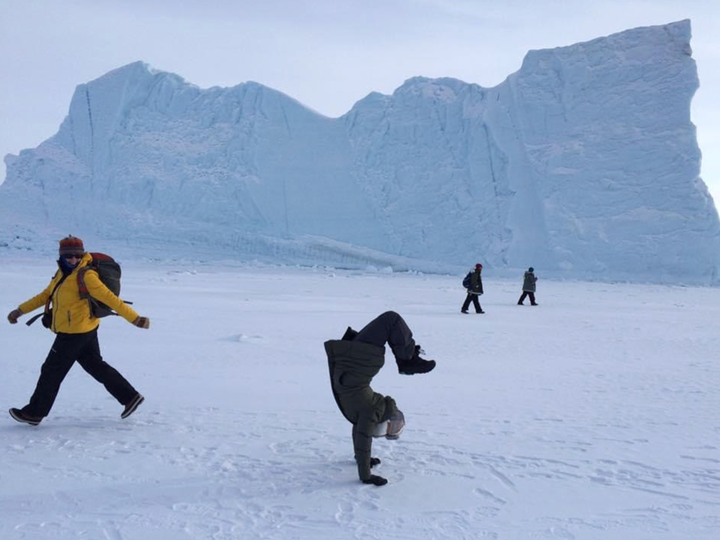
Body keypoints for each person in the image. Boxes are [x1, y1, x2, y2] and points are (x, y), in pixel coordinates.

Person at [6, 235, 151, 426]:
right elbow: (45, 295)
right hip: (85, 328)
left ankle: (35, 412)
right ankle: (130, 397)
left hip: (74, 333)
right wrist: (20, 310)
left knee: (51, 371)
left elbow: (110, 299)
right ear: (61, 256)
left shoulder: (86, 275)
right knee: (94, 365)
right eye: (69, 256)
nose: (73, 259)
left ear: (81, 255)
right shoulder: (61, 274)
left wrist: (135, 319)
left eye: (76, 255)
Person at [325, 311, 435, 486]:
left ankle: (407, 360)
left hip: (358, 362)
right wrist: (362, 458)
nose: (396, 417)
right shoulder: (363, 413)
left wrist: (366, 475)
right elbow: (359, 431)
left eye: (394, 422)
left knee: (391, 319)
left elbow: (363, 437)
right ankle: (407, 360)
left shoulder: (372, 411)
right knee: (390, 325)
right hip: (348, 362)